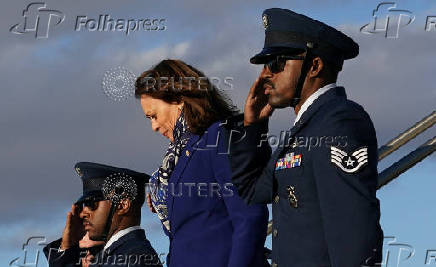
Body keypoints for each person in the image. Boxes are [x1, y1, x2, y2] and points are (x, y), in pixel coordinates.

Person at [227, 8, 383, 267]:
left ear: (314, 66)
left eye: (276, 63)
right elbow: (251, 190)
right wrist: (252, 126)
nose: (266, 74)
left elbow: (352, 229)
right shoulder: (305, 130)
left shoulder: (340, 123)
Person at [134, 59, 269, 267]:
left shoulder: (217, 137)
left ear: (178, 99)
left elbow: (249, 217)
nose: (154, 126)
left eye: (154, 115)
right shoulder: (174, 162)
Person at [43, 162, 162, 267]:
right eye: (84, 205)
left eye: (91, 204)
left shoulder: (132, 258)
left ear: (122, 205)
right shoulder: (122, 254)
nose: (83, 213)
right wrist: (67, 247)